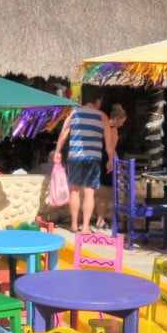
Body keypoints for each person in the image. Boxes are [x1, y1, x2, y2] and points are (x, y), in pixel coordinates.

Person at [52, 86, 115, 234]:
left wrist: (57, 151)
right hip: (93, 159)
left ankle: (74, 225)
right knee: (89, 192)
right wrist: (110, 159)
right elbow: (109, 143)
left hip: (75, 157)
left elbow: (63, 134)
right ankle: (85, 227)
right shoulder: (102, 116)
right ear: (98, 100)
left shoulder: (73, 113)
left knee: (74, 191)